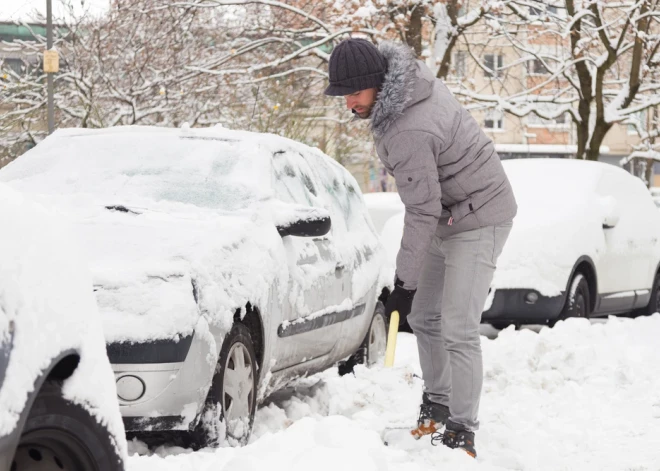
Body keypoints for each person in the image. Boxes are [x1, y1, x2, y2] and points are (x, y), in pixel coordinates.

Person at [324, 38, 517, 458]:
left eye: (354, 92)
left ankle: (462, 430)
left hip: (481, 215)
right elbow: (427, 204)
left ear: (376, 82)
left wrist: (403, 283)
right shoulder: (401, 97)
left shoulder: (409, 126)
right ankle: (439, 405)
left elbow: (420, 209)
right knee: (425, 316)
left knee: (458, 326)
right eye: (342, 95)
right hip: (450, 211)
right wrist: (409, 291)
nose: (348, 103)